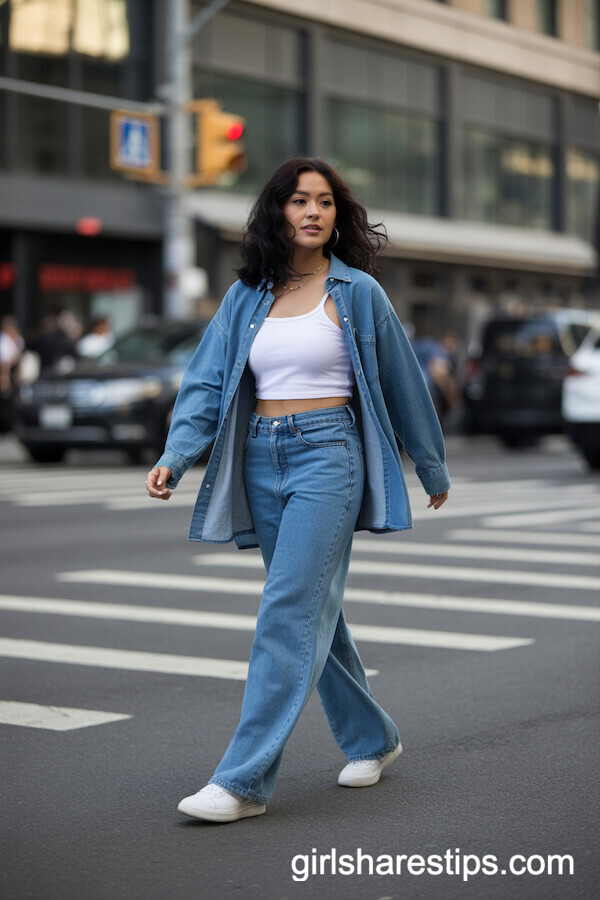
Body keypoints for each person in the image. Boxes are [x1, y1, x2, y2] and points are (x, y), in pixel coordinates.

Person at [146, 158, 450, 824]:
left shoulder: (358, 291)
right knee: (315, 610)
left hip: (328, 458)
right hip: (261, 457)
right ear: (277, 212)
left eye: (325, 202)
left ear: (338, 216)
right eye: (298, 200)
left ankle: (243, 781)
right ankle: (373, 737)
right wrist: (176, 453)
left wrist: (431, 466)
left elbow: (404, 381)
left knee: (288, 609)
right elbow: (205, 381)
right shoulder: (247, 295)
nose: (312, 212)